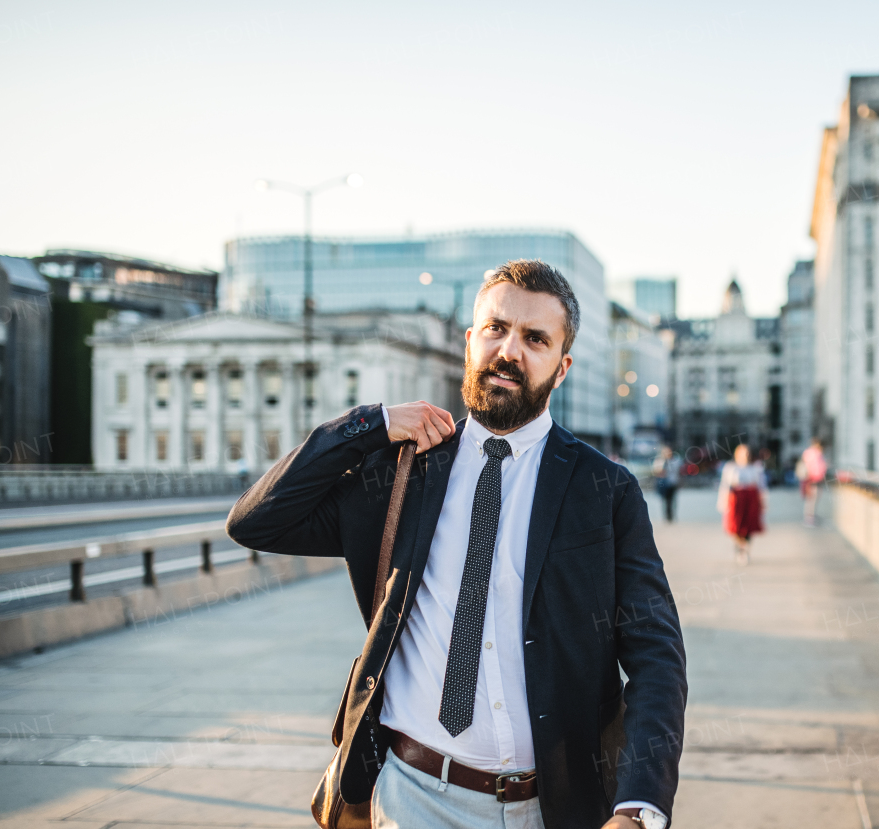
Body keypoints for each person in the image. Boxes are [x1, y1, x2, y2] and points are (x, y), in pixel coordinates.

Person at [227, 260, 685, 829]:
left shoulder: (604, 489)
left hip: (554, 808)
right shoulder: (402, 473)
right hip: (411, 796)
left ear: (561, 369)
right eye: (496, 329)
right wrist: (369, 424)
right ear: (471, 343)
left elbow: (656, 654)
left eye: (534, 338)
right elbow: (255, 522)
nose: (509, 351)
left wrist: (639, 806)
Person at [716, 443, 767, 565]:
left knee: (749, 525)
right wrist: (722, 502)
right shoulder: (730, 467)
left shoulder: (756, 468)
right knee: (736, 526)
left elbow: (761, 486)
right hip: (736, 500)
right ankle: (739, 548)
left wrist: (763, 502)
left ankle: (746, 549)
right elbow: (725, 485)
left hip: (751, 499)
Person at [797, 438, 827, 527]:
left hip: (814, 479)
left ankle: (811, 517)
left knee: (812, 499)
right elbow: (815, 467)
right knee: (811, 499)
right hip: (812, 479)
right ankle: (809, 518)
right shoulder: (813, 453)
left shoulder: (810, 453)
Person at [651, 446, 681, 523]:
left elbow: (678, 472)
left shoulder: (675, 461)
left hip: (673, 483)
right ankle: (667, 516)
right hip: (664, 483)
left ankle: (671, 516)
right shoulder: (660, 461)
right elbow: (656, 471)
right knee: (665, 500)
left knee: (672, 500)